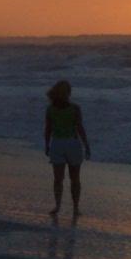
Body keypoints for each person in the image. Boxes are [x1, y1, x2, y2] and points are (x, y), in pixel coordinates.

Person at [43, 80, 91, 216]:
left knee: (58, 179)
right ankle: (75, 208)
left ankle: (57, 206)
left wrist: (46, 145)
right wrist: (87, 145)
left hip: (57, 144)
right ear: (68, 93)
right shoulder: (75, 108)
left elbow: (47, 129)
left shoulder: (50, 109)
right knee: (75, 178)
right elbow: (80, 128)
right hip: (72, 144)